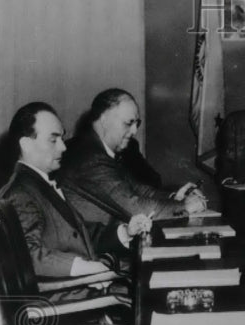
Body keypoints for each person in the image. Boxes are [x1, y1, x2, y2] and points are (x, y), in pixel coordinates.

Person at [0, 102, 151, 279]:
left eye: (62, 139)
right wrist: (85, 268)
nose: (63, 147)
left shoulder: (39, 184)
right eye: (53, 140)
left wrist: (125, 231)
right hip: (70, 295)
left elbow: (80, 235)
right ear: (26, 144)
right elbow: (26, 255)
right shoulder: (20, 193)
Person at [59, 88, 207, 225]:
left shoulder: (99, 150)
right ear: (104, 120)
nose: (135, 130)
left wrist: (175, 197)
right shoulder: (89, 157)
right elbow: (134, 208)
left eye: (137, 123)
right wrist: (185, 206)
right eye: (129, 123)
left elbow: (138, 190)